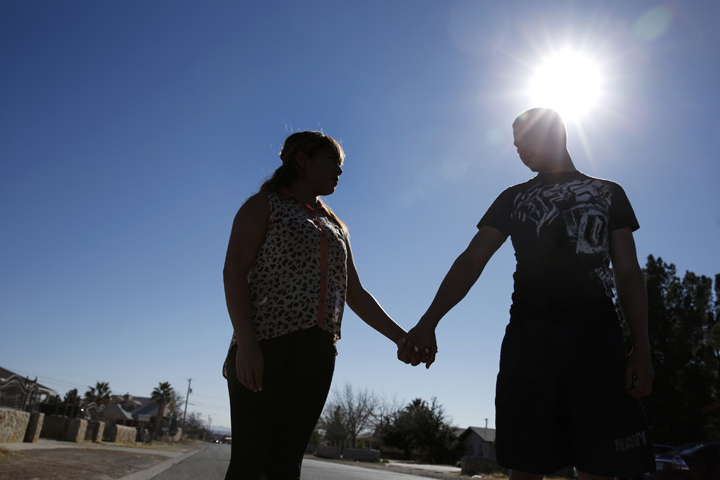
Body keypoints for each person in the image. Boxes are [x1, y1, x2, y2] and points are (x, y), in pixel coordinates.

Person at [400, 108, 655, 479]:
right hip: (530, 339)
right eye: (516, 145)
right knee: (526, 466)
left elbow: (628, 272)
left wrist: (641, 349)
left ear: (557, 133)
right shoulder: (513, 197)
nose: (519, 149)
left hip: (597, 337)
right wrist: (428, 321)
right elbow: (471, 260)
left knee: (600, 466)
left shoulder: (608, 192)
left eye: (528, 140)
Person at [222, 130, 407, 480]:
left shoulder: (336, 225)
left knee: (287, 464)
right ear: (302, 161)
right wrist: (246, 344)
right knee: (249, 463)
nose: (339, 172)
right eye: (332, 163)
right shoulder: (263, 206)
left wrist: (401, 337)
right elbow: (234, 273)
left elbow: (356, 293)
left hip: (317, 352)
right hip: (263, 345)